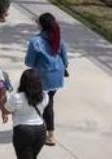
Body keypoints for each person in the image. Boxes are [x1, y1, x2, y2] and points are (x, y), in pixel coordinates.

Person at [24, 12, 68, 146]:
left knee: (42, 103)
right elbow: (65, 60)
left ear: (41, 25)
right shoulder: (58, 38)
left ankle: (48, 134)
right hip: (57, 77)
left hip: (43, 78)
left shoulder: (35, 41)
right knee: (48, 101)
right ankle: (46, 130)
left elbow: (29, 62)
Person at [4, 69, 48, 159]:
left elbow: (6, 110)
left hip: (23, 131)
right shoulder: (45, 96)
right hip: (40, 131)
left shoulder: (17, 97)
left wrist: (3, 100)